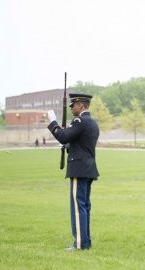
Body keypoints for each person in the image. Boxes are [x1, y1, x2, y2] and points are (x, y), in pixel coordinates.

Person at [46, 93, 100, 251]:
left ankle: (80, 243)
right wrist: (70, 146)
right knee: (84, 206)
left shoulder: (79, 121)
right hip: (88, 168)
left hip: (79, 168)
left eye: (74, 105)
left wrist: (53, 122)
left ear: (81, 106)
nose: (72, 109)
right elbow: (82, 144)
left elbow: (63, 136)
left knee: (78, 207)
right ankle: (85, 241)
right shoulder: (92, 123)